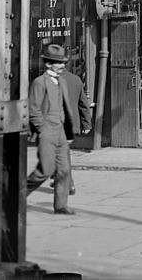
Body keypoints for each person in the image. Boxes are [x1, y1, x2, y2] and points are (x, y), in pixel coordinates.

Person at [27, 43, 92, 215]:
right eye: (58, 63)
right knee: (46, 170)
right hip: (48, 132)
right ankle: (18, 195)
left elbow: (66, 108)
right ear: (48, 64)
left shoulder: (61, 81)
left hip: (62, 133)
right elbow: (33, 109)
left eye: (63, 62)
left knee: (64, 170)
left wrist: (68, 132)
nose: (63, 66)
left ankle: (60, 205)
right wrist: (42, 130)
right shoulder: (39, 83)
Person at [49, 65, 93, 195]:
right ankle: (59, 178)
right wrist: (86, 124)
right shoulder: (76, 80)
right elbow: (83, 104)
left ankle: (69, 184)